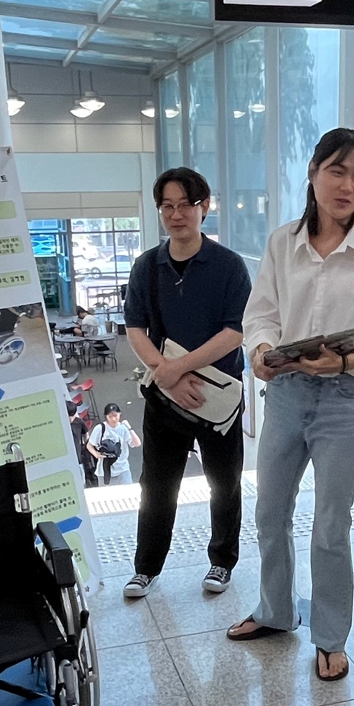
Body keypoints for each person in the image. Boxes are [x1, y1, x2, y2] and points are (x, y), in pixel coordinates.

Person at [230, 128, 354, 682]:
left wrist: (347, 362)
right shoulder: (282, 243)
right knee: (270, 512)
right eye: (337, 171)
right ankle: (274, 610)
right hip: (286, 394)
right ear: (313, 173)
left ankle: (331, 636)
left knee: (331, 523)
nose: (348, 186)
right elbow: (260, 313)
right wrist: (261, 350)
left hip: (344, 398)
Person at [122, 167, 252, 599]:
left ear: (204, 207)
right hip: (165, 398)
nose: (176, 215)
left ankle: (222, 562)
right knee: (156, 486)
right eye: (167, 206)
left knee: (225, 483)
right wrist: (166, 374)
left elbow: (235, 332)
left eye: (185, 205)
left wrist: (178, 369)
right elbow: (135, 328)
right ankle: (146, 567)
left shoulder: (229, 266)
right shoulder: (147, 266)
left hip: (218, 399)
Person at [87, 402, 140, 486]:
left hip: (122, 469)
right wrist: (96, 454)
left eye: (115, 415)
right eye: (110, 416)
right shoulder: (100, 428)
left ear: (119, 414)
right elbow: (89, 445)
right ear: (106, 417)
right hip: (104, 471)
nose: (113, 419)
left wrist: (130, 428)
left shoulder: (123, 428)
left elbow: (137, 443)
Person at [68, 400, 96, 488]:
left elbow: (86, 434)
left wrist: (85, 446)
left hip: (78, 456)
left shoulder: (79, 422)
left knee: (81, 477)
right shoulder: (62, 424)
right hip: (68, 455)